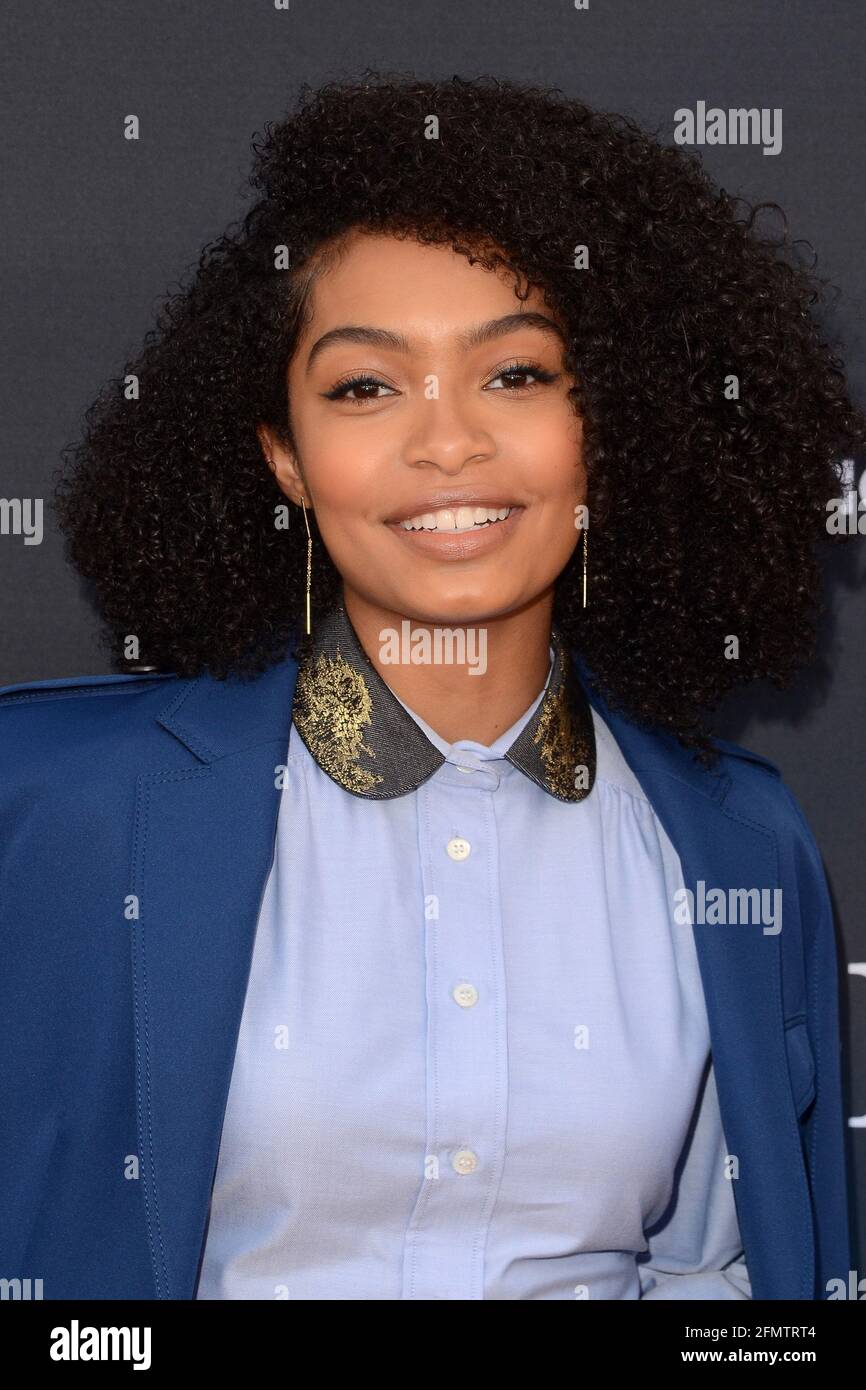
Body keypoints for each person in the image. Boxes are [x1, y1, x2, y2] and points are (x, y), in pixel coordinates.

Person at [1, 72, 862, 1301]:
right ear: (285, 457)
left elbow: (728, 1286)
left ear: (611, 426)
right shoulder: (50, 815)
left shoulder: (737, 849)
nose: (446, 441)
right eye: (364, 385)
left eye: (515, 374)